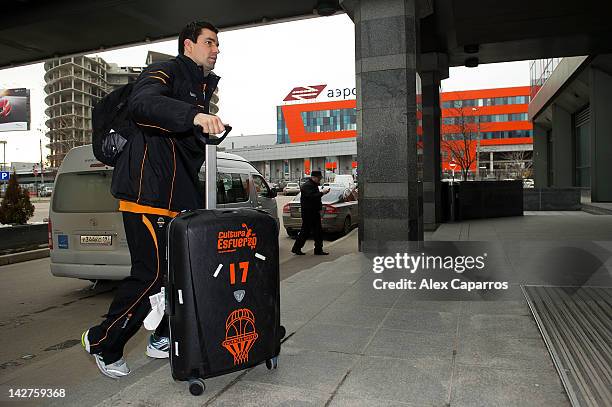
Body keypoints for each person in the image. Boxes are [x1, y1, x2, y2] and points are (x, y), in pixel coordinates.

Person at [81, 21, 225, 379]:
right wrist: (193, 115)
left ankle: (162, 336)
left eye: (218, 45)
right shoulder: (165, 71)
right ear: (188, 45)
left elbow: (181, 144)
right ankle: (102, 340)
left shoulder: (199, 86)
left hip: (176, 195)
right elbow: (144, 104)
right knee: (152, 274)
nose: (216, 49)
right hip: (147, 193)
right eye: (209, 43)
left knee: (182, 271)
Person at [291, 170, 330, 256]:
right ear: (314, 177)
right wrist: (322, 193)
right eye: (319, 178)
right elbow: (311, 197)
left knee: (318, 232)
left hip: (314, 211)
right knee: (305, 231)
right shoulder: (307, 186)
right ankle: (296, 248)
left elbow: (315, 198)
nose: (320, 180)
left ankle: (318, 250)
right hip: (308, 213)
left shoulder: (313, 185)